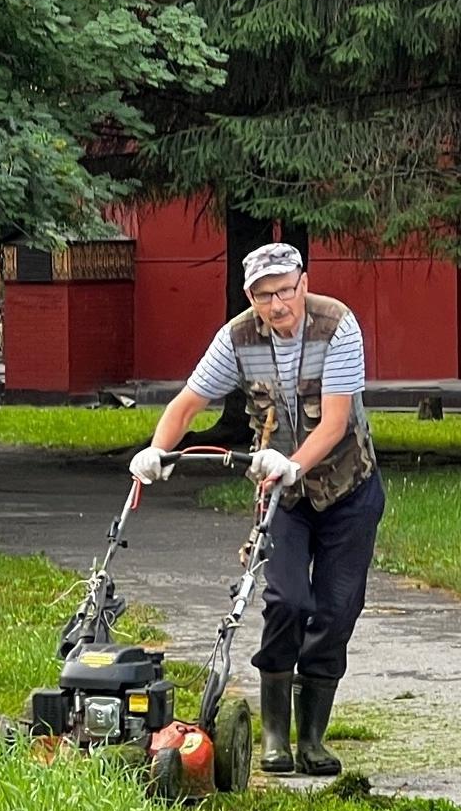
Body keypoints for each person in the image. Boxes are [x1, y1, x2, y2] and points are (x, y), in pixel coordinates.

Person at [129, 243, 384, 777]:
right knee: (287, 600)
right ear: (251, 296)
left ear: (304, 283)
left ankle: (312, 737)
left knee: (336, 610)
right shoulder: (237, 337)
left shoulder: (339, 325)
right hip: (283, 500)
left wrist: (292, 462)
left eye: (287, 289)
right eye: (265, 294)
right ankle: (274, 736)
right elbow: (188, 404)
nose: (278, 304)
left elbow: (335, 423)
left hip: (348, 492)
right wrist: (156, 451)